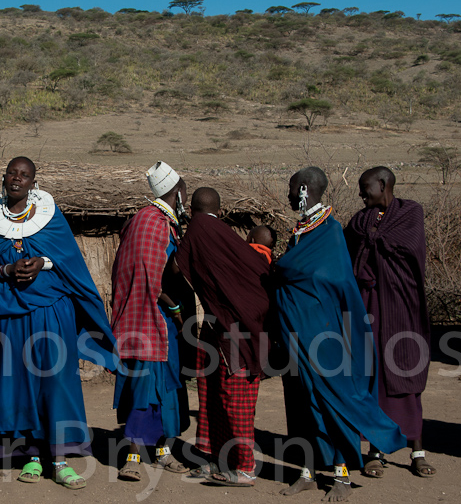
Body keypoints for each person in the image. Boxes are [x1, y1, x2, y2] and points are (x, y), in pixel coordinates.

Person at [0, 157, 118, 490]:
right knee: (21, 384)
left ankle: (59, 460)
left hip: (50, 310)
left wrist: (42, 262)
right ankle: (32, 455)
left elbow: (69, 260)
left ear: (34, 181)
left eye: (25, 175)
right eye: (12, 173)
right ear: (4, 178)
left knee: (56, 383)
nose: (17, 178)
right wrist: (7, 271)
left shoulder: (50, 216)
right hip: (9, 316)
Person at [275, 166, 406, 502]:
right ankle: (305, 470)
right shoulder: (302, 231)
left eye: (292, 189)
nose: (289, 195)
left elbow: (332, 281)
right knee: (301, 401)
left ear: (304, 189)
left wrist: (286, 270)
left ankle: (342, 475)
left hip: (324, 333)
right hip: (297, 332)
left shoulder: (330, 233)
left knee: (333, 398)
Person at [176, 187, 271, 488]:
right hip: (221, 327)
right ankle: (218, 458)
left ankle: (244, 467)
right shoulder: (225, 235)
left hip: (234, 332)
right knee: (212, 393)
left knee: (233, 397)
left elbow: (177, 266)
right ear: (220, 208)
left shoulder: (199, 231)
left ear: (192, 210)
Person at [344, 167, 435, 478]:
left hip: (401, 306)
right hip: (368, 307)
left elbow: (408, 246)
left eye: (364, 187)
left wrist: (375, 238)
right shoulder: (359, 221)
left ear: (382, 184)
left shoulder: (410, 213)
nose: (360, 194)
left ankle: (417, 451)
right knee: (371, 376)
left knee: (404, 372)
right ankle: (375, 450)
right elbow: (349, 254)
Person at [110, 161, 190, 482]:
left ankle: (161, 450)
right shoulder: (151, 223)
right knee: (144, 387)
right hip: (147, 318)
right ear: (177, 192)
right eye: (184, 188)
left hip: (152, 318)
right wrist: (175, 311)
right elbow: (147, 277)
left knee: (163, 388)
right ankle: (132, 456)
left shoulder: (157, 221)